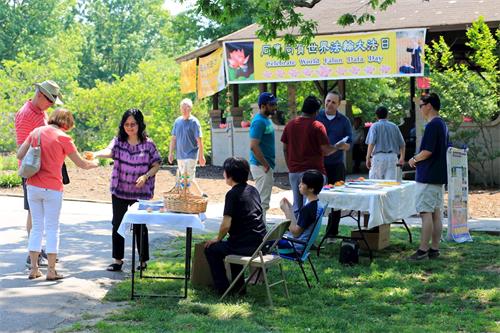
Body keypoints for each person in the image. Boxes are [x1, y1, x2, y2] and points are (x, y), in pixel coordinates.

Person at [16, 109, 98, 280]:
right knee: (52, 228)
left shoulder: (36, 132)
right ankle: (51, 271)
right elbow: (81, 163)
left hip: (32, 185)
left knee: (37, 227)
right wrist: (95, 163)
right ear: (66, 123)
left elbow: (19, 154)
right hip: (52, 187)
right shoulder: (63, 138)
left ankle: (34, 269)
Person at [91, 109, 161, 271]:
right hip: (120, 190)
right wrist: (95, 154)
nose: (129, 127)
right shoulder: (118, 142)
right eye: (127, 124)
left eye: (133, 124)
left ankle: (143, 261)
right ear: (123, 126)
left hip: (140, 193)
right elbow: (109, 151)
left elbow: (156, 164)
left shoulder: (148, 144)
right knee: (118, 224)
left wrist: (145, 176)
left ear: (139, 125)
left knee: (140, 226)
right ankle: (118, 260)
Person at [15, 80, 64, 268]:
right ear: (41, 95)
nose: (51, 105)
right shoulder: (25, 114)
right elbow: (24, 148)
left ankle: (41, 251)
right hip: (33, 171)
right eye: (50, 101)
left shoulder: (40, 112)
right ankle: (32, 255)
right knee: (34, 214)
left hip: (46, 169)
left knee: (44, 214)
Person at [204, 157, 267, 295]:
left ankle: (223, 288)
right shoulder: (253, 190)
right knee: (231, 245)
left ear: (229, 175)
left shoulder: (232, 194)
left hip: (244, 245)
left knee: (211, 249)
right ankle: (238, 287)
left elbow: (226, 225)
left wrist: (218, 239)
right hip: (260, 243)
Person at [281, 95, 338, 217]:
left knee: (297, 206)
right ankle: (309, 233)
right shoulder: (317, 126)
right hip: (314, 173)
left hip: (295, 171)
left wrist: (290, 167)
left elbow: (285, 149)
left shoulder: (290, 125)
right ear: (316, 111)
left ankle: (296, 233)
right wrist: (338, 147)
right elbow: (326, 150)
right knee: (313, 206)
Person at [408, 93, 449, 260]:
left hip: (427, 176)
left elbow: (427, 151)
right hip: (438, 177)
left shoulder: (433, 125)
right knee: (436, 213)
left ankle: (423, 250)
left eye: (421, 105)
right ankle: (434, 249)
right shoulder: (442, 124)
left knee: (425, 213)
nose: (420, 108)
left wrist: (413, 159)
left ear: (429, 105)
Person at [316, 91, 352, 239]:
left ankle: (332, 232)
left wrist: (345, 146)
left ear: (338, 104)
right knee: (315, 199)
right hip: (318, 165)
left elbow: (350, 144)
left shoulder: (344, 121)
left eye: (333, 102)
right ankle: (312, 232)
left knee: (336, 199)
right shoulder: (316, 117)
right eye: (328, 101)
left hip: (337, 164)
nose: (329, 104)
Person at [278, 170, 325, 255]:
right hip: (301, 244)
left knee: (266, 241)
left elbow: (295, 233)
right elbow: (298, 226)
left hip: (295, 247)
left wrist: (286, 211)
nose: (299, 185)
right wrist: (291, 209)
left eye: (302, 184)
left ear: (311, 188)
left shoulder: (308, 209)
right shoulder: (317, 204)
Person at [249, 92, 278, 222]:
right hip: (261, 166)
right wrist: (265, 164)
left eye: (275, 104)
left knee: (263, 201)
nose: (275, 107)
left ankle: (261, 230)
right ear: (263, 106)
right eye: (272, 104)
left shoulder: (266, 120)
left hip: (265, 166)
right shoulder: (259, 122)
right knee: (262, 202)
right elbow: (254, 146)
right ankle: (260, 232)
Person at [168, 98, 205, 196]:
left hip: (191, 154)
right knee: (185, 179)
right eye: (182, 108)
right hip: (180, 155)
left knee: (188, 178)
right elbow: (173, 139)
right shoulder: (177, 122)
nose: (184, 110)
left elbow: (200, 141)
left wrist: (201, 156)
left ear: (190, 109)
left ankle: (198, 196)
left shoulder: (194, 122)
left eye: (186, 108)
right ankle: (199, 196)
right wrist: (170, 153)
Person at [365, 106, 406, 180]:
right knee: (391, 184)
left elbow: (371, 143)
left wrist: (368, 157)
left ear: (376, 116)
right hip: (392, 157)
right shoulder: (394, 126)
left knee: (376, 184)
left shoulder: (374, 126)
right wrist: (402, 157)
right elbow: (402, 144)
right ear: (387, 115)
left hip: (378, 157)